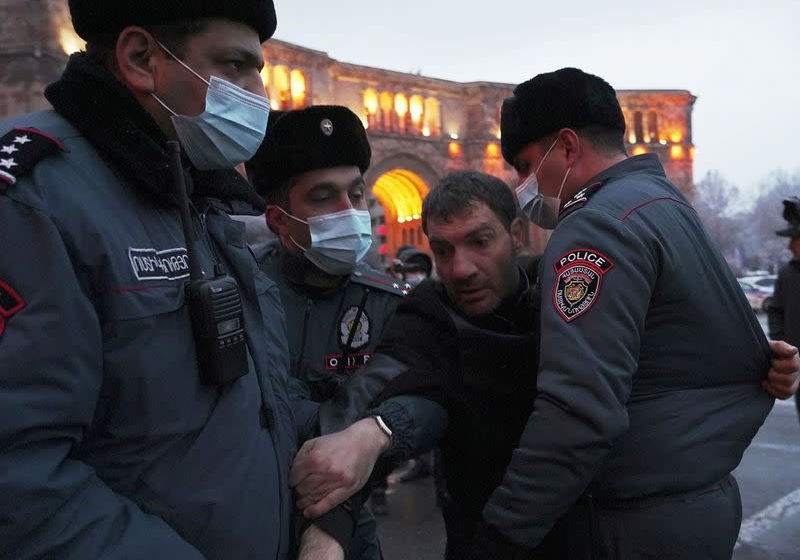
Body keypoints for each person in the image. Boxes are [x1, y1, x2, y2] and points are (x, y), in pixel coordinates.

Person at [288, 171, 800, 558]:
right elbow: (393, 388)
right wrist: (337, 505)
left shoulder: (571, 297)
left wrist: (762, 364)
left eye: (479, 241)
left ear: (516, 233)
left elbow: (669, 352)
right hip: (488, 535)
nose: (460, 268)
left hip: (597, 531)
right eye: (442, 250)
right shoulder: (428, 314)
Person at [0, 0, 345, 558]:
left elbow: (250, 408)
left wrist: (356, 452)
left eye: (257, 73)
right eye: (234, 67)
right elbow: (18, 483)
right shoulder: (32, 202)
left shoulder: (200, 201)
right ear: (141, 59)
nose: (259, 98)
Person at [463, 66, 783, 558]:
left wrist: (500, 535)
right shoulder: (663, 204)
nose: (522, 184)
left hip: (633, 521)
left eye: (526, 165)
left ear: (567, 147)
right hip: (696, 502)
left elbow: (576, 410)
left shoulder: (595, 226)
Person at [246, 105, 415, 557]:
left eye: (356, 194)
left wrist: (374, 434)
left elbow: (416, 395)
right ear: (280, 221)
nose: (349, 212)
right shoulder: (243, 291)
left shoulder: (387, 301)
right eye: (324, 196)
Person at [768, 197, 800, 422]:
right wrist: (785, 346)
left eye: (794, 238)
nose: (789, 246)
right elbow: (775, 311)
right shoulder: (787, 274)